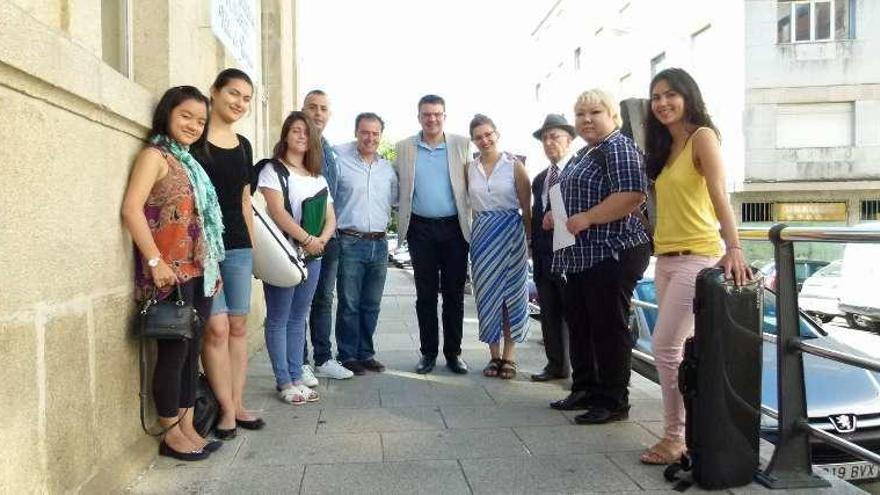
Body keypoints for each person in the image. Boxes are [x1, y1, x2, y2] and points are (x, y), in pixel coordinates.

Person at [639, 68, 752, 464]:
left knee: (665, 347)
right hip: (666, 259)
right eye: (655, 97)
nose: (662, 103)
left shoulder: (702, 137)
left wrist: (733, 245)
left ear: (688, 96)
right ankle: (684, 433)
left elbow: (719, 192)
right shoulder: (664, 150)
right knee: (676, 349)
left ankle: (676, 439)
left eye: (670, 94)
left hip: (697, 257)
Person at [121, 86, 225, 460]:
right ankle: (170, 433)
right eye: (186, 116)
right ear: (167, 113)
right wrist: (154, 261)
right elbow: (132, 209)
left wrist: (213, 266)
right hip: (168, 276)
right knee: (173, 354)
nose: (194, 125)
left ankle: (188, 427)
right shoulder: (155, 155)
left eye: (200, 120)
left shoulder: (190, 162)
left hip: (200, 271)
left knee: (192, 351)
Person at [546, 88, 651, 424]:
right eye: (580, 114)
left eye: (595, 112)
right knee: (581, 325)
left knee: (608, 326)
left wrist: (588, 217)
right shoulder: (586, 153)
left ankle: (613, 399)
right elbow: (571, 194)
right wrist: (554, 215)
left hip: (612, 251)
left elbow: (633, 195)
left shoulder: (618, 147)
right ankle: (586, 388)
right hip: (580, 256)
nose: (587, 119)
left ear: (612, 116)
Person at [192, 68, 264, 439]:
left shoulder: (244, 145)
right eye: (233, 93)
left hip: (237, 244)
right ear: (214, 92)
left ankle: (236, 404)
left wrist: (251, 248)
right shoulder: (194, 137)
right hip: (202, 247)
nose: (239, 102)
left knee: (237, 326)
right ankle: (224, 409)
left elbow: (244, 201)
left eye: (247, 98)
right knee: (215, 327)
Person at [258, 111, 336, 405]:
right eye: (295, 130)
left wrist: (321, 241)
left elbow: (331, 216)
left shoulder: (317, 176)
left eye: (306, 132)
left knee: (297, 317)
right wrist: (306, 239)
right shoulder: (272, 170)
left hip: (312, 256)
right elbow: (277, 212)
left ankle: (296, 374)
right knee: (278, 317)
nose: (302, 136)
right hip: (284, 254)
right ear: (286, 135)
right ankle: (284, 381)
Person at [394, 95, 472, 375]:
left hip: (454, 229)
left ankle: (454, 354)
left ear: (444, 116)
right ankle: (428, 353)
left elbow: (472, 183)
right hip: (420, 229)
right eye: (427, 114)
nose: (432, 119)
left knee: (454, 295)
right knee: (425, 295)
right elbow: (396, 188)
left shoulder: (462, 145)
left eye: (437, 114)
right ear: (419, 117)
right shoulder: (404, 148)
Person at [333, 113, 399, 375]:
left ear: (380, 135)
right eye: (365, 132)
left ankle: (366, 353)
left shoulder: (388, 169)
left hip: (380, 244)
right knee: (349, 303)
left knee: (371, 303)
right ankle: (347, 355)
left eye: (375, 133)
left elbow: (395, 203)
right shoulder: (341, 163)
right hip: (350, 241)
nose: (370, 138)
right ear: (356, 133)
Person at [466, 114, 531, 379]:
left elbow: (527, 207)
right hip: (482, 234)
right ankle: (494, 356)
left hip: (512, 234)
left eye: (488, 134)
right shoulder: (468, 168)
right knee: (487, 296)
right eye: (479, 136)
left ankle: (510, 357)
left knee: (512, 296)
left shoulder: (514, 165)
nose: (485, 140)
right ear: (473, 140)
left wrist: (530, 240)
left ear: (497, 134)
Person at [301, 89, 354, 384]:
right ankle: (300, 362)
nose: (318, 113)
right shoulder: (294, 145)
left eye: (323, 109)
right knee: (300, 302)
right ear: (303, 110)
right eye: (312, 107)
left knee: (323, 299)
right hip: (301, 238)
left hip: (329, 239)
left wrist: (328, 233)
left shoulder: (331, 151)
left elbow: (333, 197)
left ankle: (323, 358)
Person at [529, 114, 576, 382]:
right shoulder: (540, 179)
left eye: (554, 136)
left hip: (571, 255)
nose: (549, 142)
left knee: (575, 315)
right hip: (545, 257)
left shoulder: (579, 169)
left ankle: (579, 373)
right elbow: (537, 215)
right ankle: (555, 364)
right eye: (545, 138)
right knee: (549, 313)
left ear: (569, 139)